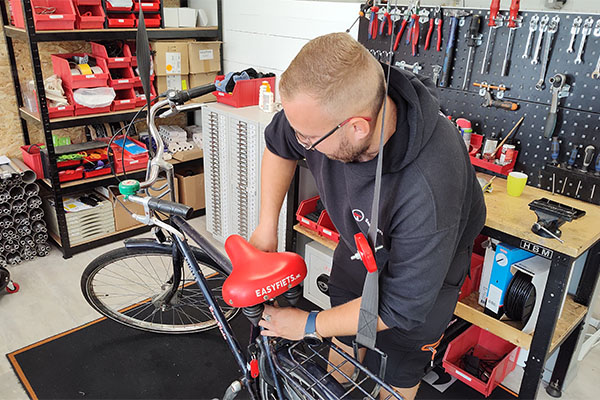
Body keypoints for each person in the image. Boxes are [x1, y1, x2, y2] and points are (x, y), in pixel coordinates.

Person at [250, 32, 486, 400]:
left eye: (309, 139)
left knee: (397, 372)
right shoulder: (324, 115)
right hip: (360, 246)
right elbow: (280, 143)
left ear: (358, 127)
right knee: (343, 337)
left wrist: (307, 324)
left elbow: (399, 308)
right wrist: (267, 228)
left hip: (423, 280)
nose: (302, 142)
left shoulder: (430, 183)